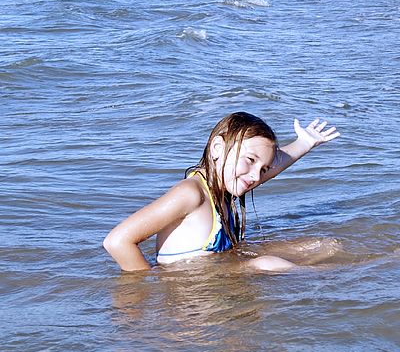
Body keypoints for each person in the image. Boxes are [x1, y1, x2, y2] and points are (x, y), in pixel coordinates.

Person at [103, 112, 339, 272]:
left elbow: (269, 167)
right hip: (192, 296)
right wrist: (148, 285)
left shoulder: (226, 186)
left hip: (220, 271)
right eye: (250, 160)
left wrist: (304, 144)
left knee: (324, 245)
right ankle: (339, 285)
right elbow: (117, 241)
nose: (256, 176)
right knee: (269, 264)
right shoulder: (191, 193)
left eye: (263, 169)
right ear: (217, 148)